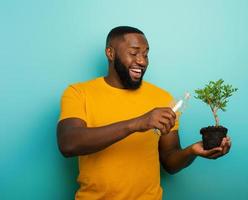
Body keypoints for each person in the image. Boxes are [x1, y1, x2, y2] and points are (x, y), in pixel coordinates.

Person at [57, 26, 231, 200]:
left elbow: (170, 161)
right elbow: (69, 143)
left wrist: (192, 151)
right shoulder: (79, 93)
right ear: (110, 53)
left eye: (146, 54)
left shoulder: (163, 98)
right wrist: (138, 123)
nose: (142, 61)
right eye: (134, 53)